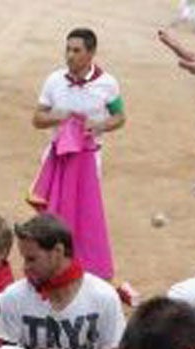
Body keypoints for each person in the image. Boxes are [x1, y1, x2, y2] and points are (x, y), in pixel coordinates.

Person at [0, 213, 124, 349]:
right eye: (24, 259)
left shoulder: (102, 296)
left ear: (58, 252)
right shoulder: (14, 297)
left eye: (32, 259)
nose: (25, 267)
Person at [31, 27, 123, 282]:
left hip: (89, 160)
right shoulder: (54, 80)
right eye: (68, 49)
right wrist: (54, 117)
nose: (69, 56)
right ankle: (47, 266)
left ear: (91, 53)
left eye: (76, 50)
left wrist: (101, 125)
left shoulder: (108, 84)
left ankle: (78, 267)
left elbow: (120, 117)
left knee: (84, 213)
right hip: (56, 158)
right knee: (50, 214)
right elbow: (37, 118)